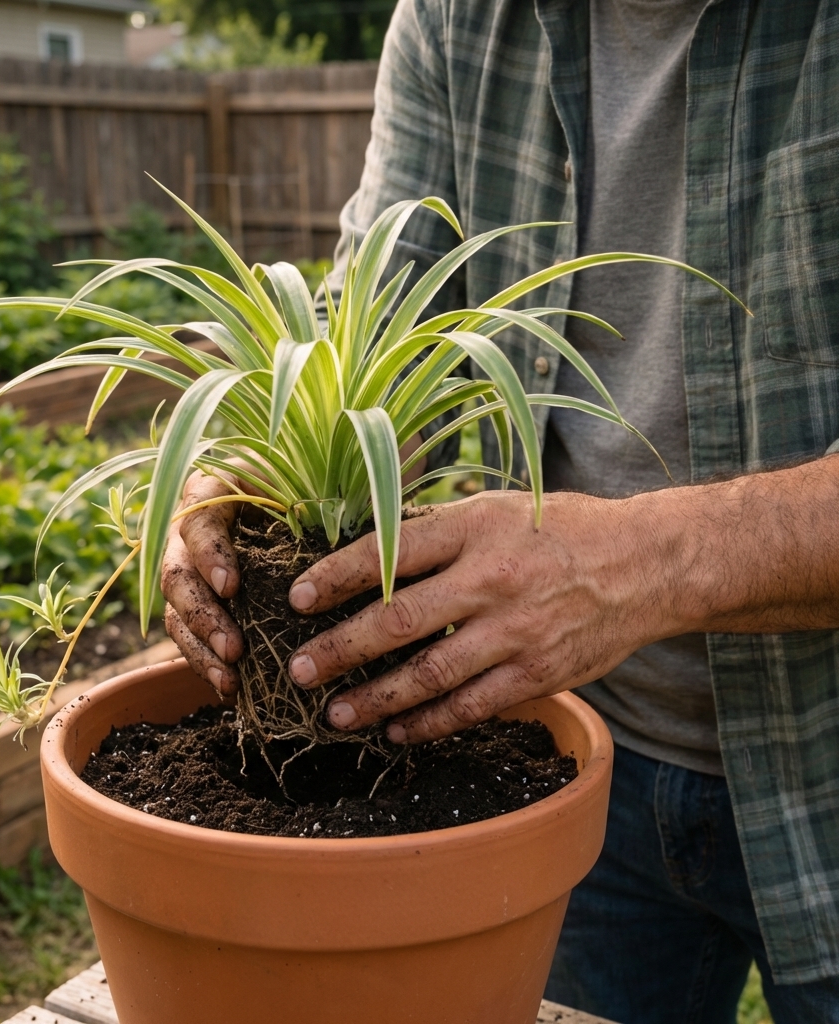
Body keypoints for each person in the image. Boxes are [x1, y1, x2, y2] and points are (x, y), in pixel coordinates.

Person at [161, 0, 839, 1021]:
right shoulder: (455, 20)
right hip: (559, 753)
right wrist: (242, 471)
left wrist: (642, 565)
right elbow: (368, 334)